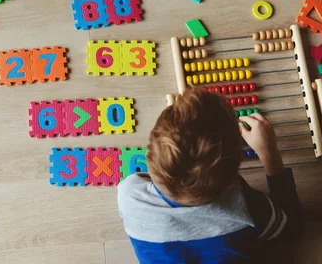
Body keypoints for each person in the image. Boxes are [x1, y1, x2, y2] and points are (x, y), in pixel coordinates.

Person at [117, 88, 304, 263]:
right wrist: (268, 153)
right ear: (231, 182)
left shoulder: (129, 194)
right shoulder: (248, 208)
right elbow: (291, 229)